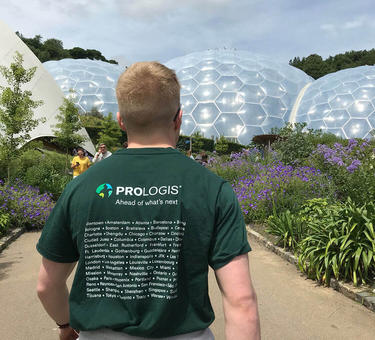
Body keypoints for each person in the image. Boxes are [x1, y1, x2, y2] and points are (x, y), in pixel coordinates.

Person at [36, 62, 260, 340]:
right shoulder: (212, 189)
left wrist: (65, 325)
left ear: (120, 120)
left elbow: (47, 286)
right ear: (178, 118)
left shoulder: (81, 186)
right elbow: (241, 302)